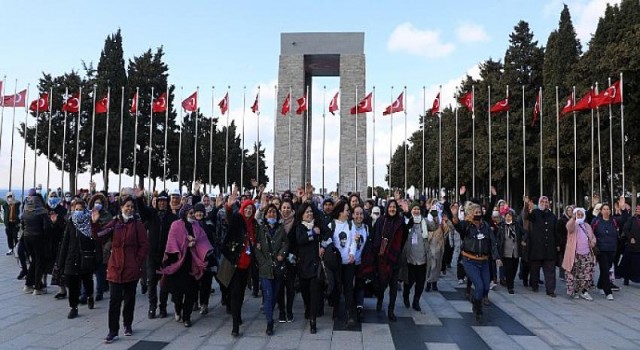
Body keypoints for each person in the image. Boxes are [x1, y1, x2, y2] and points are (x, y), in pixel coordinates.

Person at [92, 196, 148, 344]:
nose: (129, 209)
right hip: (115, 267)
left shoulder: (137, 224)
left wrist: (137, 261)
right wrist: (95, 223)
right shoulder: (115, 223)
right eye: (126, 206)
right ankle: (113, 331)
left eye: (131, 206)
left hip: (131, 268)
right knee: (114, 301)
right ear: (121, 207)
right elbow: (99, 236)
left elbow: (144, 245)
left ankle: (128, 323)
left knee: (129, 299)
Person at [161, 204, 214, 327]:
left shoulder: (197, 226)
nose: (193, 215)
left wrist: (195, 242)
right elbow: (172, 243)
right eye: (190, 213)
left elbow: (203, 240)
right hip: (178, 264)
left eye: (193, 212)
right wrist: (186, 243)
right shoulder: (176, 225)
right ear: (184, 213)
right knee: (178, 294)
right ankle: (178, 309)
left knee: (191, 292)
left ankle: (187, 317)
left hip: (193, 264)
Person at [451, 200, 501, 323]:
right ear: (470, 213)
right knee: (479, 286)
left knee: (485, 288)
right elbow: (457, 226)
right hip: (470, 260)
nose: (478, 213)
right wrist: (454, 215)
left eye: (479, 211)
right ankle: (478, 309)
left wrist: (497, 257)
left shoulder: (485, 227)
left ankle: (476, 300)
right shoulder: (467, 225)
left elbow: (493, 243)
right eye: (475, 212)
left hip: (484, 261)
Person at [137, 190, 177, 319]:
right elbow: (142, 211)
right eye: (160, 201)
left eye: (165, 201)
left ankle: (163, 307)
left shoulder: (172, 217)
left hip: (166, 255)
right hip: (152, 254)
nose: (162, 204)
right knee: (151, 281)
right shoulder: (152, 214)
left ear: (167, 203)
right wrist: (139, 198)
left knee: (165, 283)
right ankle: (152, 306)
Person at [57, 199, 100, 318]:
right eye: (76, 210)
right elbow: (65, 242)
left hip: (86, 258)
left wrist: (97, 258)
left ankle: (90, 295)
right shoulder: (71, 223)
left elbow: (96, 241)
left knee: (87, 281)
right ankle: (73, 307)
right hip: (72, 258)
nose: (78, 212)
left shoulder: (90, 222)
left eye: (81, 210)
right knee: (72, 283)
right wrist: (60, 262)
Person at [222, 193, 258, 337]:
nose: (248, 211)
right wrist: (229, 207)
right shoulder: (238, 218)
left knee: (241, 292)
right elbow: (230, 218)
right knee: (236, 293)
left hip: (247, 264)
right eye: (246, 208)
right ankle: (235, 325)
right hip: (235, 262)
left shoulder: (254, 224)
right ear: (242, 208)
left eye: (251, 209)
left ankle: (237, 315)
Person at [368, 199, 408, 322]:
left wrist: (407, 212)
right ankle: (380, 300)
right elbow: (375, 237)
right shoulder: (381, 221)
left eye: (394, 207)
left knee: (394, 287)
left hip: (395, 258)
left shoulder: (401, 222)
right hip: (382, 259)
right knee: (382, 285)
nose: (392, 209)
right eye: (390, 207)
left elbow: (404, 237)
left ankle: (391, 310)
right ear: (387, 208)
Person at [255, 204, 288, 335]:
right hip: (265, 268)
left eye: (274, 212)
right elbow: (256, 248)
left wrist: (282, 254)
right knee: (268, 295)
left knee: (274, 295)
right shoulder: (261, 229)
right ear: (265, 215)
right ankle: (270, 322)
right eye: (269, 212)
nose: (271, 214)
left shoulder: (281, 229)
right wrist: (262, 262)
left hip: (278, 267)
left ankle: (270, 311)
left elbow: (286, 243)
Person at [325, 200, 357, 327]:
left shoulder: (351, 225)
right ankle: (336, 310)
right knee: (337, 288)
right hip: (336, 263)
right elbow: (327, 241)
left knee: (349, 289)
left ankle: (350, 314)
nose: (348, 212)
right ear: (340, 212)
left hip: (348, 263)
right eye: (346, 210)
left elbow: (354, 240)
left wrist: (352, 253)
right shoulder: (331, 225)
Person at [295, 202, 322, 334]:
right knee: (305, 292)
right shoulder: (299, 227)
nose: (309, 214)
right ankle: (307, 308)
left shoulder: (318, 225)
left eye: (311, 212)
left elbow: (326, 236)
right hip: (303, 264)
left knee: (314, 293)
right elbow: (300, 239)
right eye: (306, 212)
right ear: (302, 214)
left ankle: (313, 320)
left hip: (315, 264)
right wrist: (313, 233)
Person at [525, 196, 559, 297]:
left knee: (550, 271)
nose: (544, 203)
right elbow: (528, 217)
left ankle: (550, 290)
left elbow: (555, 231)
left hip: (549, 248)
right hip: (537, 248)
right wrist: (528, 207)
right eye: (542, 201)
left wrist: (557, 244)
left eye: (546, 201)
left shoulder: (552, 216)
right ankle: (534, 285)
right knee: (535, 270)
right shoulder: (535, 213)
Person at [562, 208, 597, 300]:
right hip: (575, 254)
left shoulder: (587, 226)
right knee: (575, 274)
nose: (580, 216)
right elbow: (568, 227)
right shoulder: (573, 224)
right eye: (578, 215)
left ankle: (584, 291)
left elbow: (592, 236)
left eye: (582, 215)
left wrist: (593, 242)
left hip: (587, 254)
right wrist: (573, 218)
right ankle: (576, 291)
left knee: (586, 274)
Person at [401, 202, 430, 311]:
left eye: (418, 209)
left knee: (420, 282)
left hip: (422, 258)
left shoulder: (425, 221)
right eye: (414, 209)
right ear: (411, 210)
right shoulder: (407, 221)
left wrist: (435, 215)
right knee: (409, 281)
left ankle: (416, 301)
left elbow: (434, 225)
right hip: (409, 258)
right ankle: (405, 295)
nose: (416, 211)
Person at [22, 189, 52, 295]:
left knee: (34, 260)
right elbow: (47, 227)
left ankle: (28, 284)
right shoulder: (41, 212)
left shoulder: (25, 211)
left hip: (26, 237)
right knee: (39, 261)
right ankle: (37, 287)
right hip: (38, 238)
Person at [591, 203, 621, 299]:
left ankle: (600, 285)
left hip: (612, 249)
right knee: (605, 269)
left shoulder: (614, 221)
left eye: (608, 209)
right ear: (601, 211)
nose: (606, 211)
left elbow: (625, 219)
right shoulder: (596, 221)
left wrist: (623, 209)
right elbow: (591, 234)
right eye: (604, 209)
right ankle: (608, 292)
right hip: (601, 249)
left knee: (606, 269)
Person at [87, 193, 112, 302]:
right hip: (91, 245)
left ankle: (100, 291)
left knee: (100, 270)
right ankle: (86, 293)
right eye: (96, 203)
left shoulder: (107, 216)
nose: (97, 205)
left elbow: (109, 230)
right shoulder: (88, 214)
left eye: (100, 203)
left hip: (103, 245)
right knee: (88, 270)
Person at [193, 202, 216, 315]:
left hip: (207, 257)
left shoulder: (209, 224)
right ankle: (194, 301)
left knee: (206, 283)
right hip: (194, 258)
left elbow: (212, 239)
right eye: (197, 211)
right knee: (194, 282)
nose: (198, 214)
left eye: (200, 211)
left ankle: (204, 304)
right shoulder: (190, 224)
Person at [276, 199, 296, 323]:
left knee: (290, 286)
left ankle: (289, 310)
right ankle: (281, 311)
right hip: (279, 258)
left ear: (292, 209)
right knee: (279, 286)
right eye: (284, 207)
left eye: (288, 207)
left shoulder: (296, 222)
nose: (286, 210)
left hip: (291, 259)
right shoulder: (276, 222)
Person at [496, 209, 524, 294]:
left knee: (514, 268)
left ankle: (511, 280)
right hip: (506, 251)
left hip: (515, 251)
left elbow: (524, 233)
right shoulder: (501, 226)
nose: (508, 218)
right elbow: (498, 238)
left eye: (510, 216)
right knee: (508, 269)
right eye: (507, 216)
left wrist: (523, 240)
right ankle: (510, 286)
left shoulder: (517, 225)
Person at [352, 206, 371, 319]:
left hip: (361, 262)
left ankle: (359, 307)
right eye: (357, 214)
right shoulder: (349, 226)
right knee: (350, 285)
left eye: (361, 214)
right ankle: (350, 306)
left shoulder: (366, 228)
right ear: (353, 215)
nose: (359, 216)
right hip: (350, 261)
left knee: (360, 284)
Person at [621, 204, 640, 286]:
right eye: (637, 209)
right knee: (628, 263)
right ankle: (626, 278)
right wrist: (630, 238)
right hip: (632, 246)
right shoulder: (631, 219)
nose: (638, 211)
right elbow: (625, 229)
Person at [1, 192, 21, 256]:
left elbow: (20, 212)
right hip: (8, 223)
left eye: (11, 196)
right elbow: (2, 213)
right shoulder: (4, 205)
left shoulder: (17, 204)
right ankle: (10, 249)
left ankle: (16, 249)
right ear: (6, 197)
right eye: (8, 197)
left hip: (15, 223)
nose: (10, 198)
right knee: (9, 236)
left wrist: (19, 220)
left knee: (15, 236)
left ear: (13, 197)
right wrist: (4, 221)